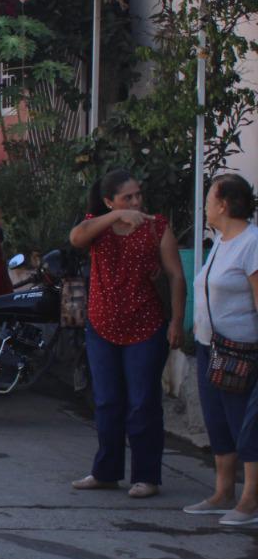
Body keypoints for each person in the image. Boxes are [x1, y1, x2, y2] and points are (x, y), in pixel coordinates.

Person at [69, 168, 185, 498]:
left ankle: (147, 476)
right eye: (127, 197)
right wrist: (116, 216)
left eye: (138, 195)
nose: (136, 202)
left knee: (142, 403)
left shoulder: (155, 226)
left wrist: (177, 321)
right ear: (109, 201)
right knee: (106, 402)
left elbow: (176, 276)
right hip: (102, 326)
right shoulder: (98, 226)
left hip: (145, 327)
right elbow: (76, 238)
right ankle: (105, 472)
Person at [185, 174, 258, 526]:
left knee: (243, 423)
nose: (206, 207)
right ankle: (222, 491)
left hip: (240, 352)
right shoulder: (222, 241)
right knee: (217, 421)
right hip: (208, 346)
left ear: (224, 204)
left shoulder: (251, 242)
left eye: (210, 199)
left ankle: (250, 500)